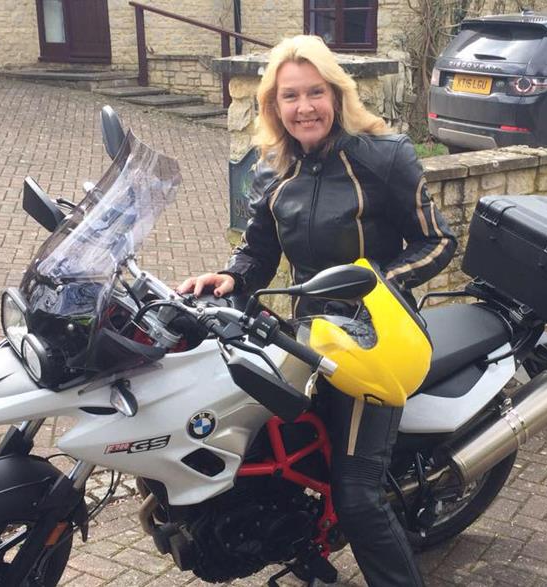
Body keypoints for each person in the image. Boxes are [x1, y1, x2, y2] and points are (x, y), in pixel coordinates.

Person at [178, 35, 457, 587]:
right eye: (290, 96)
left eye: (315, 92)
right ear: (274, 106)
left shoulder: (385, 156)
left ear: (336, 94)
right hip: (306, 334)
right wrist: (229, 277)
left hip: (375, 337)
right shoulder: (273, 168)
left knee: (356, 495)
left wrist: (377, 285)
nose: (304, 107)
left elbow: (438, 241)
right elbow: (258, 251)